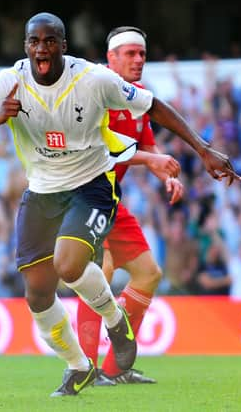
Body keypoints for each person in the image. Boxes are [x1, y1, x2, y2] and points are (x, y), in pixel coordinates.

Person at [0, 12, 241, 397]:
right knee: (37, 296)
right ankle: (78, 367)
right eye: (35, 41)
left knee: (70, 264)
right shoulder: (8, 82)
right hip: (41, 194)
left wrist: (203, 149)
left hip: (90, 187)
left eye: (50, 40)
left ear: (63, 46)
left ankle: (115, 320)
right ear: (26, 46)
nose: (42, 48)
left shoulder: (92, 78)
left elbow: (154, 106)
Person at [76, 26, 184, 386]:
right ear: (111, 58)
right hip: (82, 195)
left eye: (142, 54)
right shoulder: (94, 91)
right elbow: (100, 149)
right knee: (99, 273)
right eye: (130, 54)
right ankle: (85, 369)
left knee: (148, 274)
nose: (139, 60)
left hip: (110, 199)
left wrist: (165, 174)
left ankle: (114, 368)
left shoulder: (139, 99)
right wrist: (152, 162)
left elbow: (148, 147)